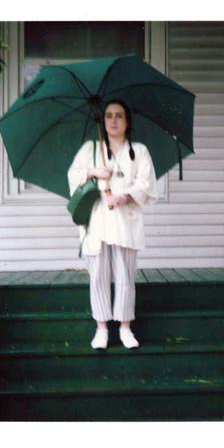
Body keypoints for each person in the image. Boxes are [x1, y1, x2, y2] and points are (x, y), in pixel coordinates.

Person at [67, 100, 158, 349]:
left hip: (125, 221)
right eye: (108, 116)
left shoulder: (138, 151)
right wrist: (94, 172)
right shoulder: (91, 148)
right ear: (103, 121)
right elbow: (73, 175)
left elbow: (147, 183)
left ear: (127, 121)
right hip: (97, 220)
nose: (113, 120)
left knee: (125, 275)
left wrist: (124, 197)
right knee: (98, 275)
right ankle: (102, 328)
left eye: (119, 116)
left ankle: (126, 327)